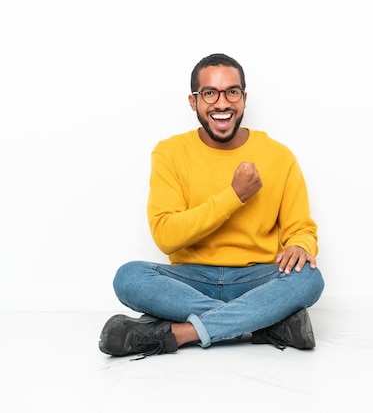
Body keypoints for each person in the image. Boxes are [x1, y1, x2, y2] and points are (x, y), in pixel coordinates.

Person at [99, 53, 324, 359]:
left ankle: (181, 334)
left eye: (232, 92)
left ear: (244, 99)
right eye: (209, 93)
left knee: (309, 279)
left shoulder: (279, 156)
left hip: (255, 280)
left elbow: (301, 228)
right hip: (190, 281)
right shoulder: (170, 153)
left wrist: (300, 244)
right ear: (194, 101)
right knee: (128, 277)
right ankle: (264, 323)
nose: (222, 103)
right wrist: (234, 195)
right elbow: (166, 235)